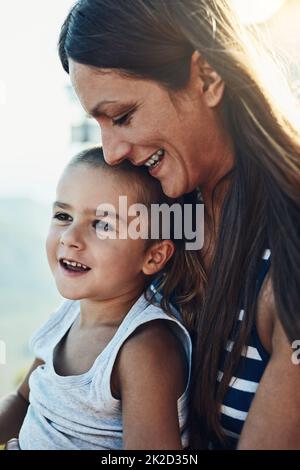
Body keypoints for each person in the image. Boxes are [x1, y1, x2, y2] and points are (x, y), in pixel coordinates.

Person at [58, 0, 300, 450]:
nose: (110, 152)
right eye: (99, 123)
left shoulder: (288, 254)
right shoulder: (162, 217)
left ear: (207, 77)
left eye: (124, 116)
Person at [0, 146, 194, 450]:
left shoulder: (144, 348)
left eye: (102, 225)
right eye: (63, 216)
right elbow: (24, 398)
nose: (70, 239)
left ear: (153, 256)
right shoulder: (64, 318)